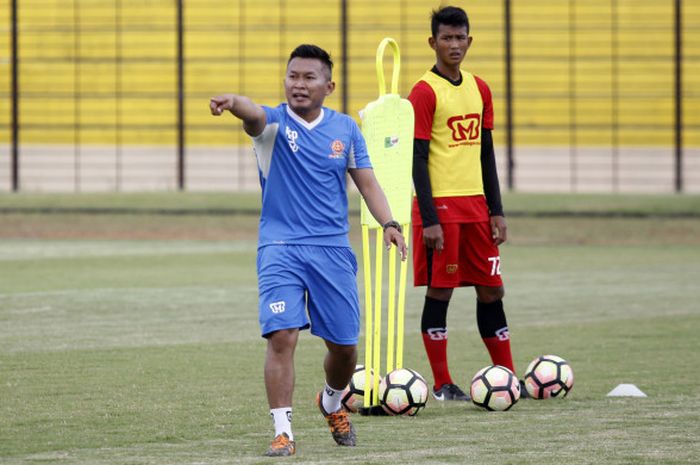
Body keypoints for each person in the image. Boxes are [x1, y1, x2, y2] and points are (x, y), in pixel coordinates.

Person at [210, 44, 406, 457]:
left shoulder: (346, 129)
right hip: (279, 247)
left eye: (308, 77)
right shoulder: (273, 124)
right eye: (292, 77)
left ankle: (331, 402)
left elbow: (367, 182)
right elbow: (253, 113)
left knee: (345, 346)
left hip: (332, 250)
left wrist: (389, 222)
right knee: (282, 336)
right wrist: (233, 103)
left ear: (328, 85)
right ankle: (283, 431)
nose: (298, 85)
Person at [408, 6, 526, 401]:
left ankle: (507, 377)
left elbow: (486, 154)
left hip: (477, 210)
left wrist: (497, 210)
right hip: (440, 210)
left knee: (492, 290)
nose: (454, 45)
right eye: (447, 38)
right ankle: (442, 383)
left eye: (460, 38)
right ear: (433, 42)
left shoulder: (481, 88)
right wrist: (428, 219)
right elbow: (417, 158)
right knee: (441, 291)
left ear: (469, 40)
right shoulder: (423, 92)